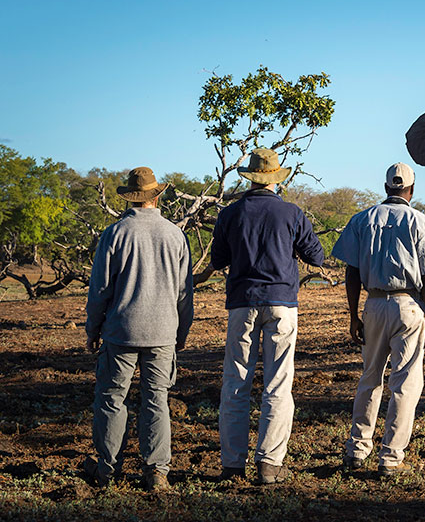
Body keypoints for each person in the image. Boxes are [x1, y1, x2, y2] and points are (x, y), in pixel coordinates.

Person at [206, 148, 324, 484]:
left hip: (242, 303)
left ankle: (232, 464)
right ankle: (270, 464)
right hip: (281, 305)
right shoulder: (291, 212)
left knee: (235, 384)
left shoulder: (231, 213)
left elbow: (217, 259)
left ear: (250, 178)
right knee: (278, 384)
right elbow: (316, 256)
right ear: (275, 179)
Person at [331, 162, 425, 477]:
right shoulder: (421, 222)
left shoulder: (362, 220)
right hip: (408, 305)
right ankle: (391, 457)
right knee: (405, 382)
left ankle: (357, 449)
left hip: (373, 304)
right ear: (411, 189)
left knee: (370, 377)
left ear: (386, 187)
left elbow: (352, 272)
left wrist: (354, 315)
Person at [84, 167, 193, 491]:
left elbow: (99, 290)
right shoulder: (175, 235)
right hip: (162, 331)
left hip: (121, 330)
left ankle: (107, 469)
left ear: (130, 197)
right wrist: (181, 332)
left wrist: (93, 328)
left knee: (111, 398)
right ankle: (157, 471)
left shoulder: (114, 233)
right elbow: (184, 293)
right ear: (156, 196)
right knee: (156, 399)